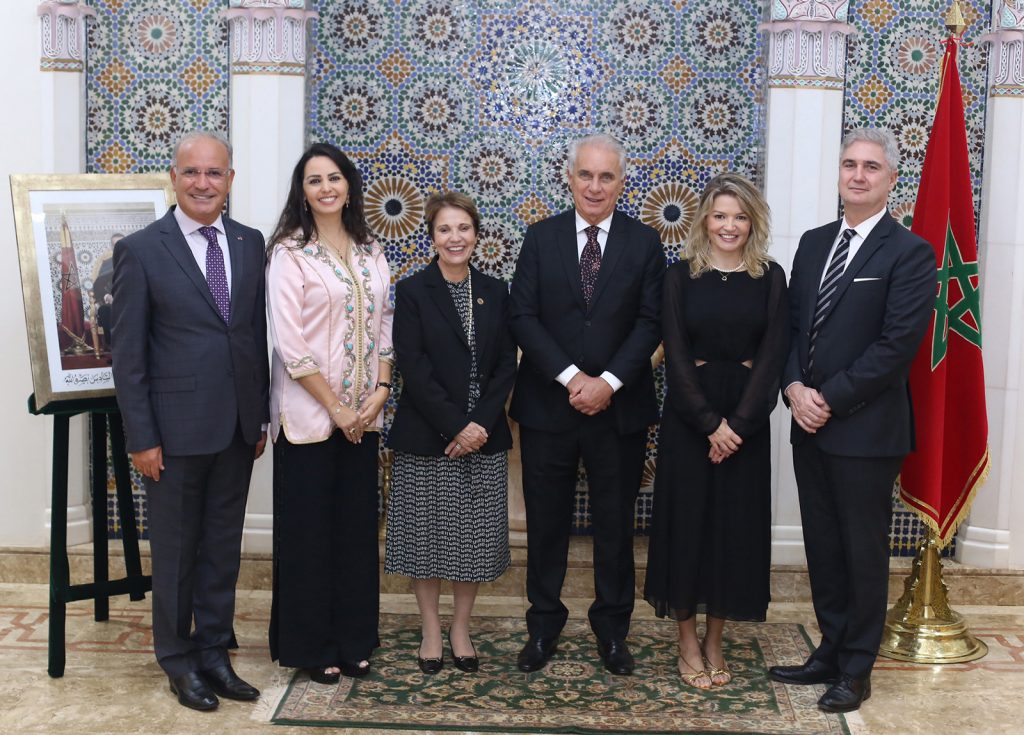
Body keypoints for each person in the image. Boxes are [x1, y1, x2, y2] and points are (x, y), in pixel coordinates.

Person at [768, 128, 936, 712]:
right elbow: (793, 329)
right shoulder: (814, 243)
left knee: (861, 551)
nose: (858, 175)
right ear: (838, 173)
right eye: (849, 164)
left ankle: (857, 667)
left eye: (871, 167)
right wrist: (794, 388)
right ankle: (830, 649)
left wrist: (827, 399)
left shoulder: (909, 252)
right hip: (808, 422)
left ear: (892, 179)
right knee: (823, 546)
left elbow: (896, 347)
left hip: (865, 430)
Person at [111, 130, 269, 711]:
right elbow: (128, 356)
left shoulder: (250, 243)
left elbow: (252, 335)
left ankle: (214, 652)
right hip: (172, 433)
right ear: (174, 178)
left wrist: (259, 418)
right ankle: (178, 661)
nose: (204, 183)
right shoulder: (141, 250)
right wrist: (142, 437)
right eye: (193, 172)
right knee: (177, 553)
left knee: (222, 549)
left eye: (215, 173)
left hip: (237, 428)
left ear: (230, 180)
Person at [509, 133, 665, 676]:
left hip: (619, 411)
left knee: (615, 527)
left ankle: (613, 633)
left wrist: (609, 383)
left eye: (606, 176)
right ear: (569, 178)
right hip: (548, 408)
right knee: (545, 525)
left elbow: (651, 321)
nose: (595, 186)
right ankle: (542, 628)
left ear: (622, 182)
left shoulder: (645, 243)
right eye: (586, 175)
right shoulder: (540, 237)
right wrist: (575, 378)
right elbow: (522, 316)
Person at [644, 173, 789, 688]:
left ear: (754, 222)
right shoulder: (679, 276)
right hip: (691, 420)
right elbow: (677, 356)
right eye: (721, 215)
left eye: (741, 216)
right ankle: (686, 641)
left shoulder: (771, 277)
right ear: (705, 219)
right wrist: (710, 424)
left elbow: (773, 356)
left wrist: (739, 427)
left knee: (733, 531)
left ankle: (714, 640)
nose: (730, 226)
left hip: (746, 422)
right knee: (687, 528)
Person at [265, 143, 394, 685]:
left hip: (364, 418)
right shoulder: (288, 253)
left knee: (356, 534)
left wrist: (381, 390)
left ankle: (354, 638)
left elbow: (385, 322)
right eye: (314, 180)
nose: (325, 188)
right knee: (310, 536)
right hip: (308, 420)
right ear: (302, 191)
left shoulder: (370, 248)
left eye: (334, 178)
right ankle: (311, 645)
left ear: (349, 186)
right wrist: (338, 408)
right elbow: (290, 344)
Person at [385, 192, 516, 675]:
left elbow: (506, 365)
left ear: (476, 234)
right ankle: (431, 631)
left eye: (463, 228)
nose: (455, 237)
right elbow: (412, 366)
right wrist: (457, 426)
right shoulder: (413, 291)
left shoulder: (496, 290)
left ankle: (461, 629)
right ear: (432, 237)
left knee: (472, 541)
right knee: (426, 541)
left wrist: (479, 424)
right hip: (428, 436)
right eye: (444, 229)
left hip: (484, 435)